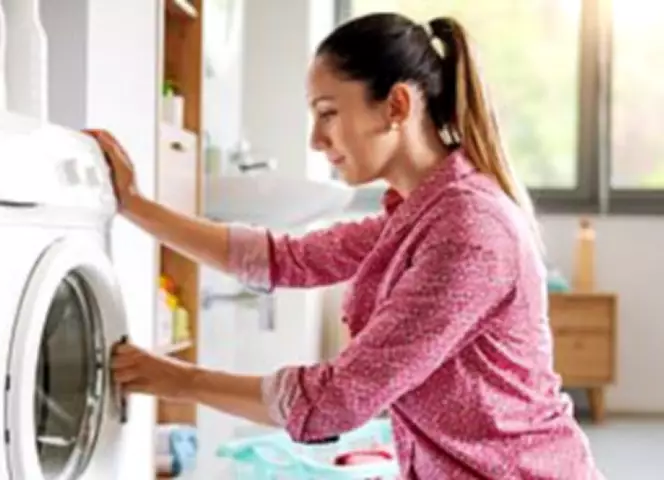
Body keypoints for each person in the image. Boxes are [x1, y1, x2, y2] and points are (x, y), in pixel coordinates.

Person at [90, 12, 603, 480]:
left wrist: (176, 380)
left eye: (328, 112)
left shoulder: (468, 230)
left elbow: (338, 399)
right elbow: (284, 259)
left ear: (397, 105)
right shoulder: (419, 208)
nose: (315, 138)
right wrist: (133, 204)